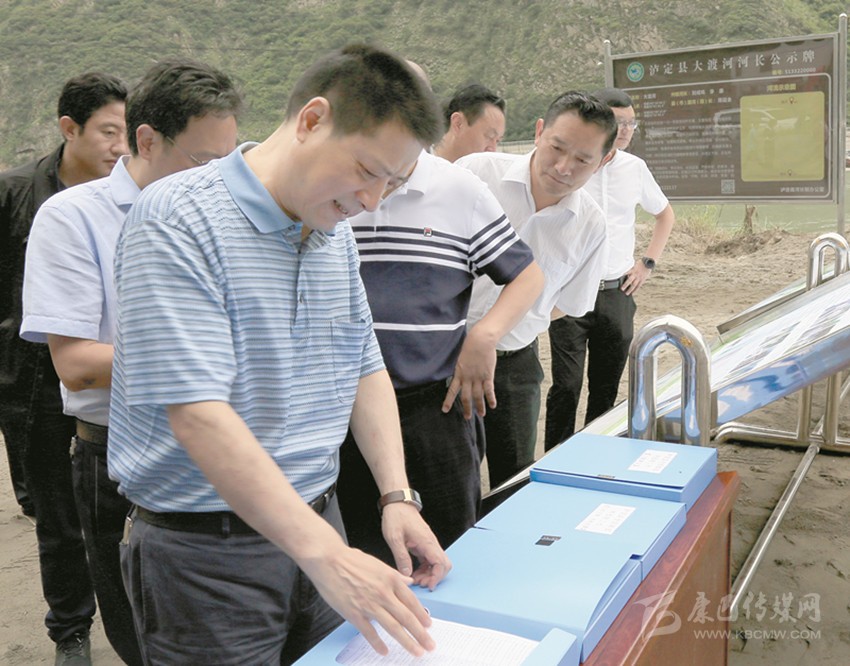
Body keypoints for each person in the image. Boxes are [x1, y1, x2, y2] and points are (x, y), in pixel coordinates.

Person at [107, 43, 451, 665]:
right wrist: (329, 556)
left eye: (394, 183)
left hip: (322, 524)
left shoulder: (332, 231)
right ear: (312, 120)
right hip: (210, 559)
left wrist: (396, 496)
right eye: (367, 170)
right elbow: (198, 413)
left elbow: (363, 363)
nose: (373, 200)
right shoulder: (178, 217)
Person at [22, 58, 243, 666]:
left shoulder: (226, 210)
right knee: (143, 633)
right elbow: (77, 364)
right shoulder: (74, 216)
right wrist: (216, 358)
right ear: (146, 141)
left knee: (229, 628)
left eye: (228, 162)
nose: (218, 178)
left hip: (224, 444)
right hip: (122, 453)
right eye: (203, 161)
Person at [336, 133, 543, 561]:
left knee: (446, 549)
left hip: (432, 407)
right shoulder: (336, 183)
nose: (375, 192)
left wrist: (484, 335)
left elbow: (527, 275)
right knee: (358, 551)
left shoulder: (460, 191)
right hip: (342, 408)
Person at [0, 71, 128, 665]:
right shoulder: (16, 193)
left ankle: (135, 620)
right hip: (32, 385)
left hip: (109, 382)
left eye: (127, 131)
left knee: (117, 514)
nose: (120, 146)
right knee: (57, 517)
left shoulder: (137, 200)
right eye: (107, 131)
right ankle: (71, 630)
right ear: (69, 128)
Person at [458, 90, 617, 489]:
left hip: (514, 365)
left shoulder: (590, 225)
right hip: (443, 355)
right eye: (557, 148)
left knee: (512, 479)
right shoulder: (476, 174)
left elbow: (566, 305)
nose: (564, 167)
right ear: (539, 131)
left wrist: (515, 323)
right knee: (447, 475)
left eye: (582, 160)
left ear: (604, 161)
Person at [544, 88, 675, 450]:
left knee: (605, 386)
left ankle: (596, 455)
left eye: (632, 123)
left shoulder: (635, 169)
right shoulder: (572, 165)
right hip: (568, 292)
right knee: (566, 385)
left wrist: (647, 263)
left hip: (617, 291)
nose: (626, 130)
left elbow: (665, 214)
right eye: (619, 122)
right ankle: (554, 459)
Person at [432, 83, 506, 162]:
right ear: (458, 124)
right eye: (489, 136)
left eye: (497, 141)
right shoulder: (424, 165)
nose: (493, 150)